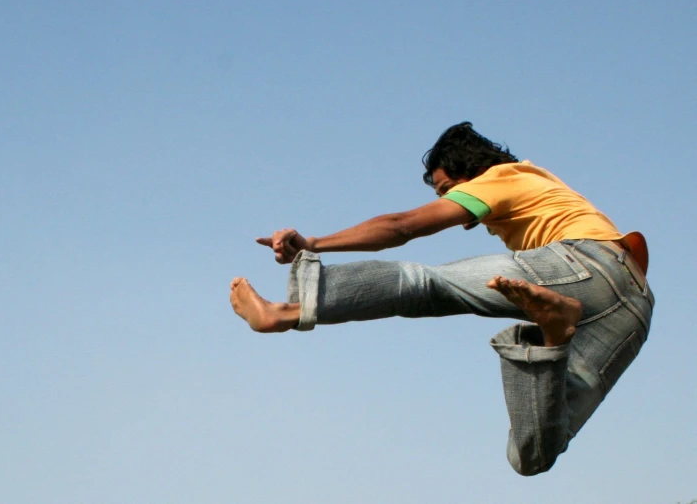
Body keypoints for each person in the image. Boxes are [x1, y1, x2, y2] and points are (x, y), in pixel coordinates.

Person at [229, 121, 654, 476]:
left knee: (425, 285)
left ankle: (290, 310)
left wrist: (315, 243)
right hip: (632, 309)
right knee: (532, 455)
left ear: (467, 170)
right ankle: (555, 334)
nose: (445, 199)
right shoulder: (540, 183)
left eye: (446, 188)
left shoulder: (500, 178)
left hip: (583, 264)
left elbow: (402, 226)